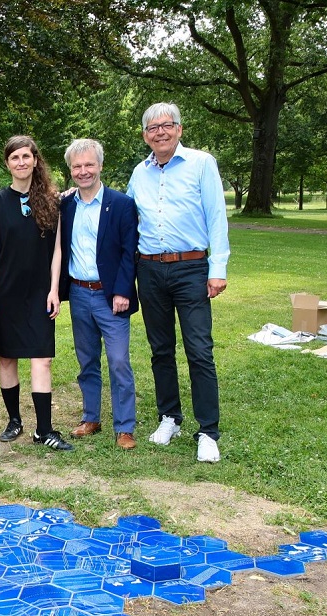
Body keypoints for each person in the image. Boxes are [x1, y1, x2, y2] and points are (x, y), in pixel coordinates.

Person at [126, 102, 229, 463]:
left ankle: (208, 432)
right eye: (153, 128)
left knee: (199, 350)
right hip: (150, 270)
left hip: (191, 268)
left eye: (166, 125)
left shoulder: (202, 164)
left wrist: (218, 268)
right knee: (160, 349)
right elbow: (126, 218)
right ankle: (170, 417)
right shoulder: (139, 173)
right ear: (145, 136)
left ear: (179, 129)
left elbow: (217, 216)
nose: (160, 132)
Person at [0, 135, 70, 451]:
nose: (21, 162)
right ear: (7, 164)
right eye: (14, 158)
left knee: (42, 359)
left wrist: (54, 290)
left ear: (35, 160)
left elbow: (57, 249)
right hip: (6, 292)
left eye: (26, 156)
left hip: (39, 293)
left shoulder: (52, 200)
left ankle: (44, 429)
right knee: (6, 358)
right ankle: (14, 420)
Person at [60, 139, 140, 450]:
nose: (83, 171)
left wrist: (122, 291)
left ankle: (125, 427)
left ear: (100, 166)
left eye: (89, 164)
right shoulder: (66, 206)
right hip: (79, 294)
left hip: (111, 297)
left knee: (119, 361)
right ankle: (91, 417)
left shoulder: (121, 204)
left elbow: (128, 251)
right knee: (87, 360)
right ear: (70, 170)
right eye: (77, 166)